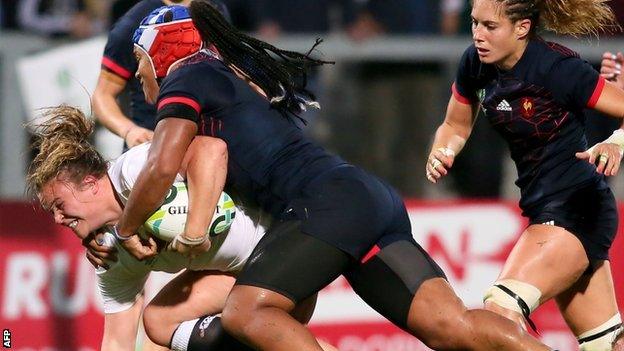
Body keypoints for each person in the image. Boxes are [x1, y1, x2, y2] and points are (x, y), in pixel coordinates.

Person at [116, 3, 556, 350]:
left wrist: (124, 229)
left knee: (246, 312)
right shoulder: (229, 75)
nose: (138, 75)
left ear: (163, 52)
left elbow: (160, 166)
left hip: (323, 205)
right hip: (364, 197)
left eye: (139, 61)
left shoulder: (186, 76)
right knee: (453, 327)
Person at [26, 105, 336, 351]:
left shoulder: (135, 171)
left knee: (175, 322)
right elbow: (117, 342)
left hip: (289, 256)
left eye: (58, 204)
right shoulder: (110, 252)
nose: (56, 219)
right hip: (249, 279)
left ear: (91, 184)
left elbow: (212, 150)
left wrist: (194, 233)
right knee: (158, 330)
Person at [426, 0, 624, 349]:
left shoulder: (557, 69)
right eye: (474, 23)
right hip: (547, 209)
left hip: (575, 209)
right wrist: (444, 150)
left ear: (522, 28)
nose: (478, 35)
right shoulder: (475, 63)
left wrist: (615, 143)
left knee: (500, 309)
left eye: (490, 26)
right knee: (606, 345)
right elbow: (455, 124)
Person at [93, 0, 229, 150]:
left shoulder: (216, 9)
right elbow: (102, 95)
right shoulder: (136, 22)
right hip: (154, 144)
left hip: (206, 144)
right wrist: (129, 130)